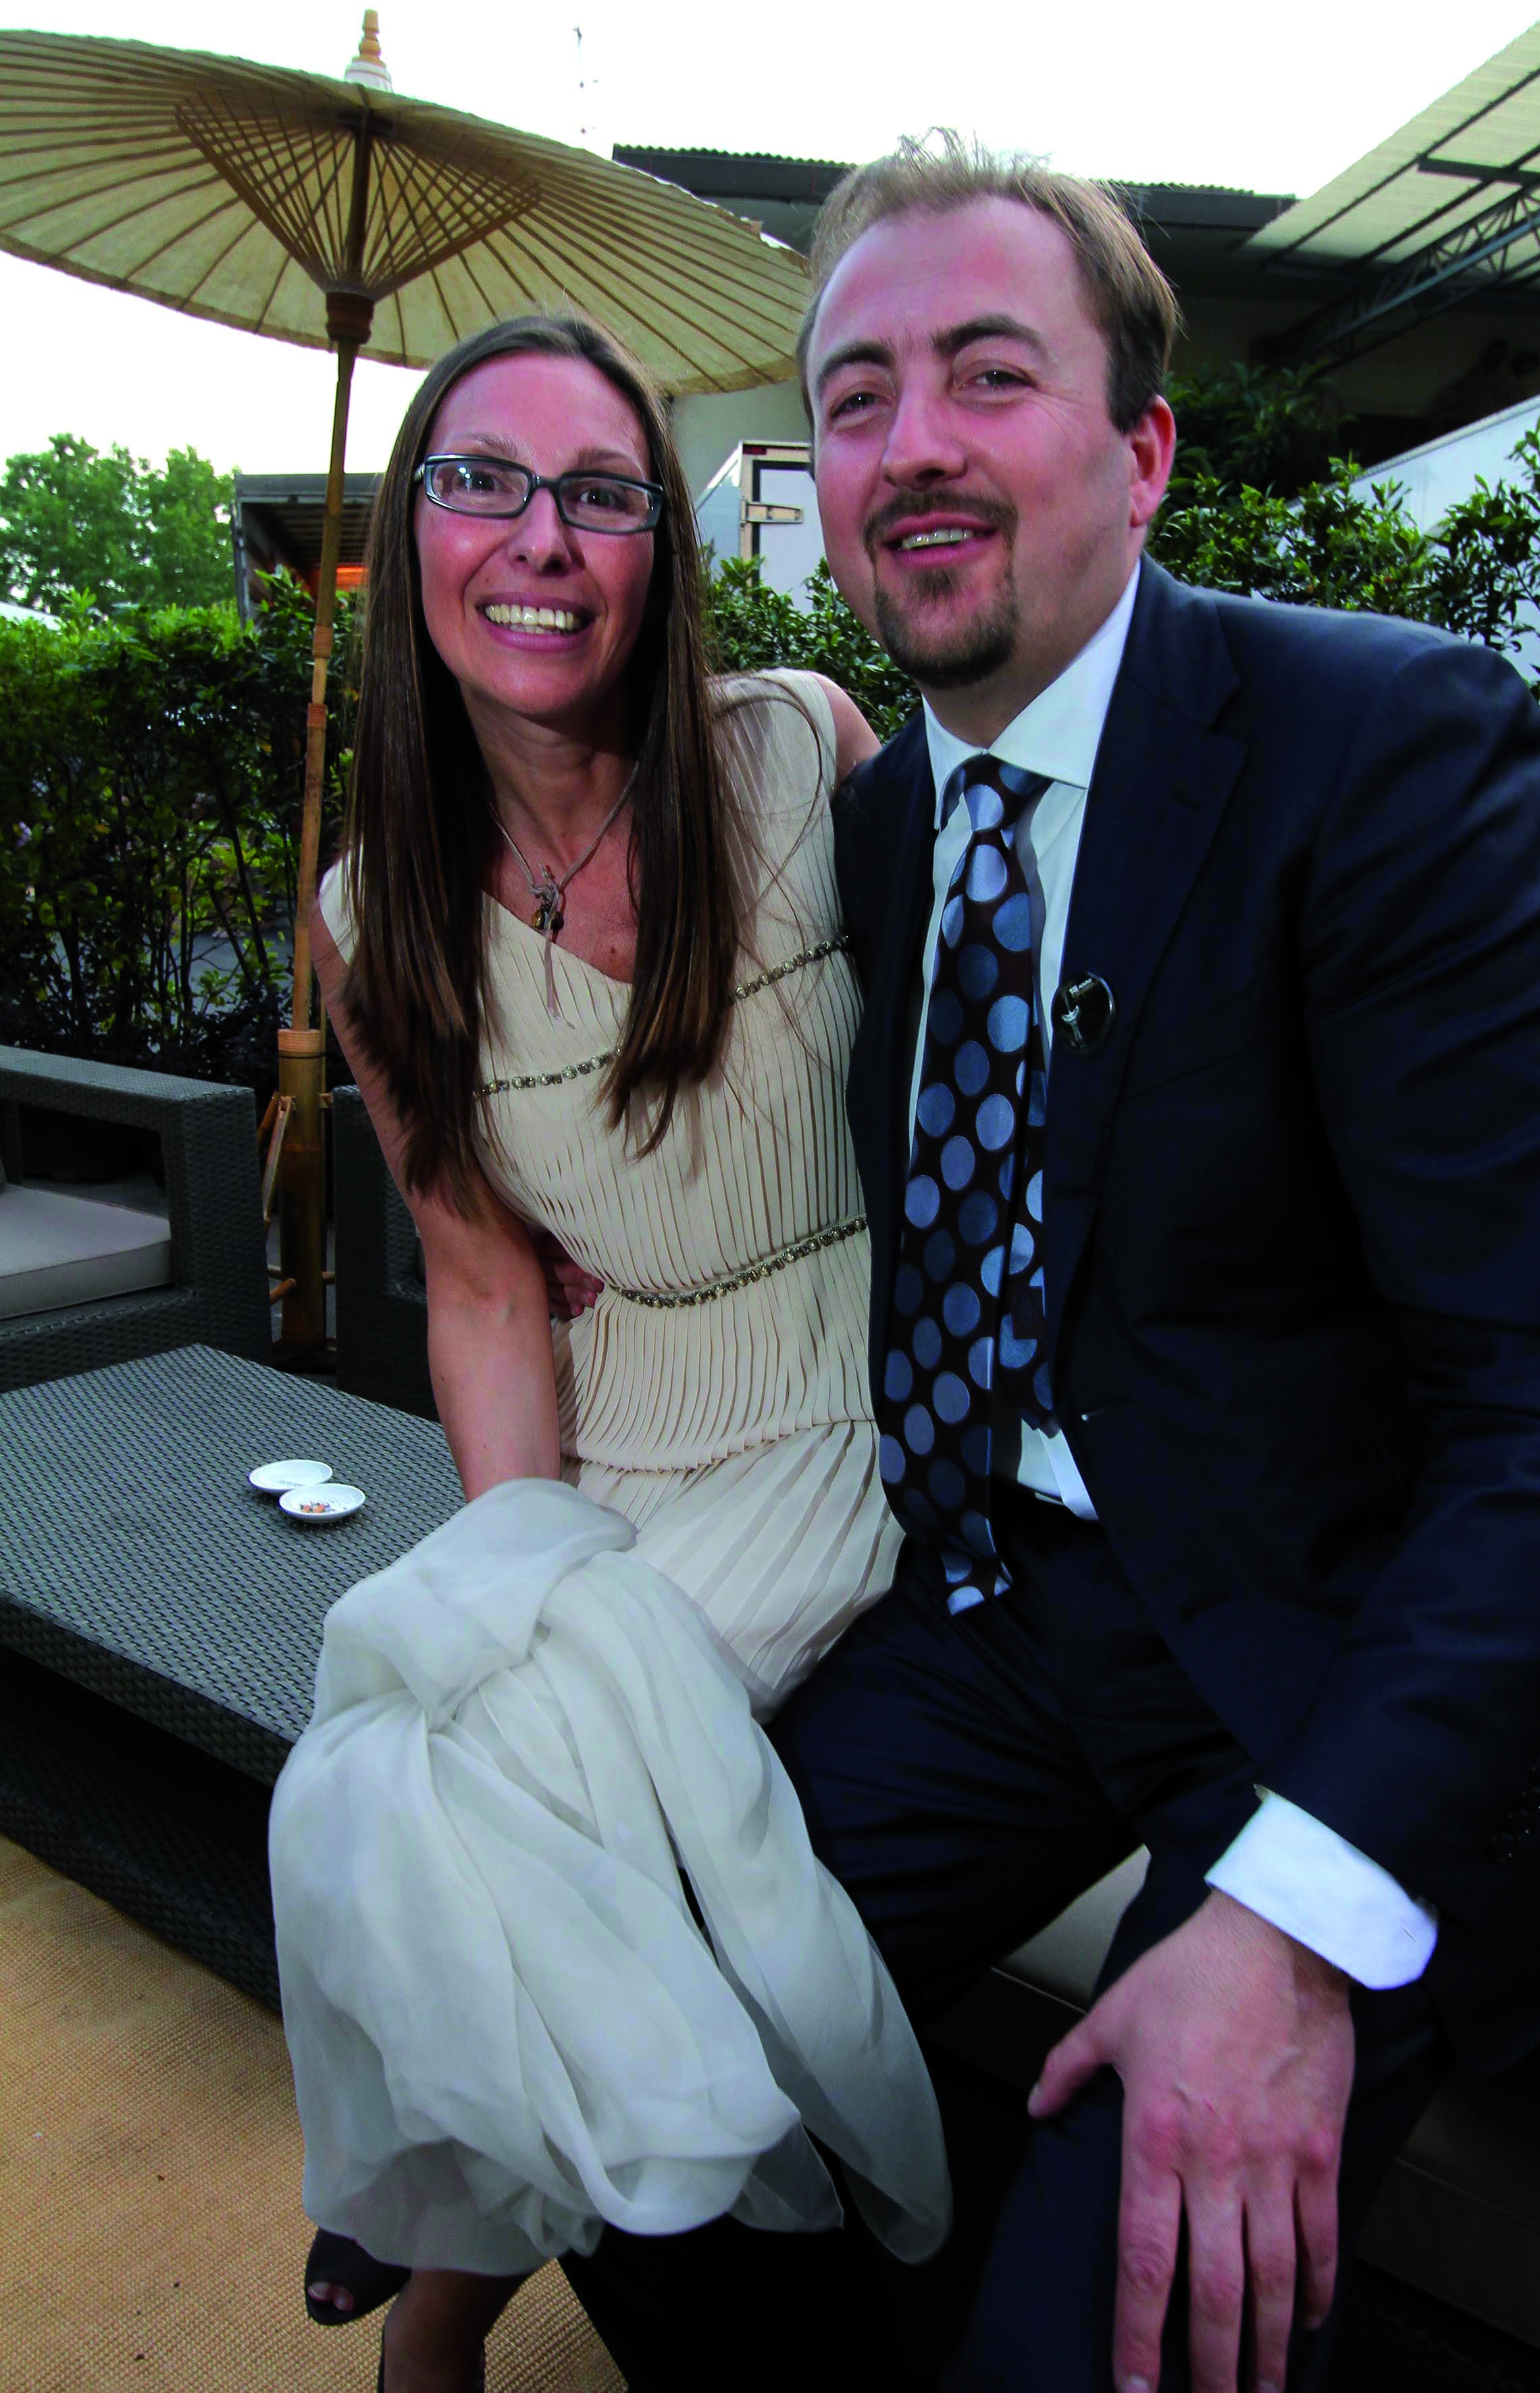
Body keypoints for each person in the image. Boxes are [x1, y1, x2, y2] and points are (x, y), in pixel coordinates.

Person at [557, 141, 1540, 2393]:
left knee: (1095, 2330)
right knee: (600, 2053)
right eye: (851, 398)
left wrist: (1302, 1921)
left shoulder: (1383, 750)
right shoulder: (876, 829)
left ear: (1141, 447)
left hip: (1334, 1657)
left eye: (985, 374)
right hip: (994, 1619)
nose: (909, 441)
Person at [267, 311, 952, 2393]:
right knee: (406, 1745)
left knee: (539, 1811)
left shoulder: (798, 747)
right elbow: (484, 1281)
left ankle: (434, 2288)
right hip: (619, 1418)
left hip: (853, 1400)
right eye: (483, 481)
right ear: (411, 540)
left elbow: (973, 1069)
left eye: (599, 489)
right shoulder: (374, 913)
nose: (539, 535)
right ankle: (450, 2278)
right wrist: (528, 1581)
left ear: (660, 545)